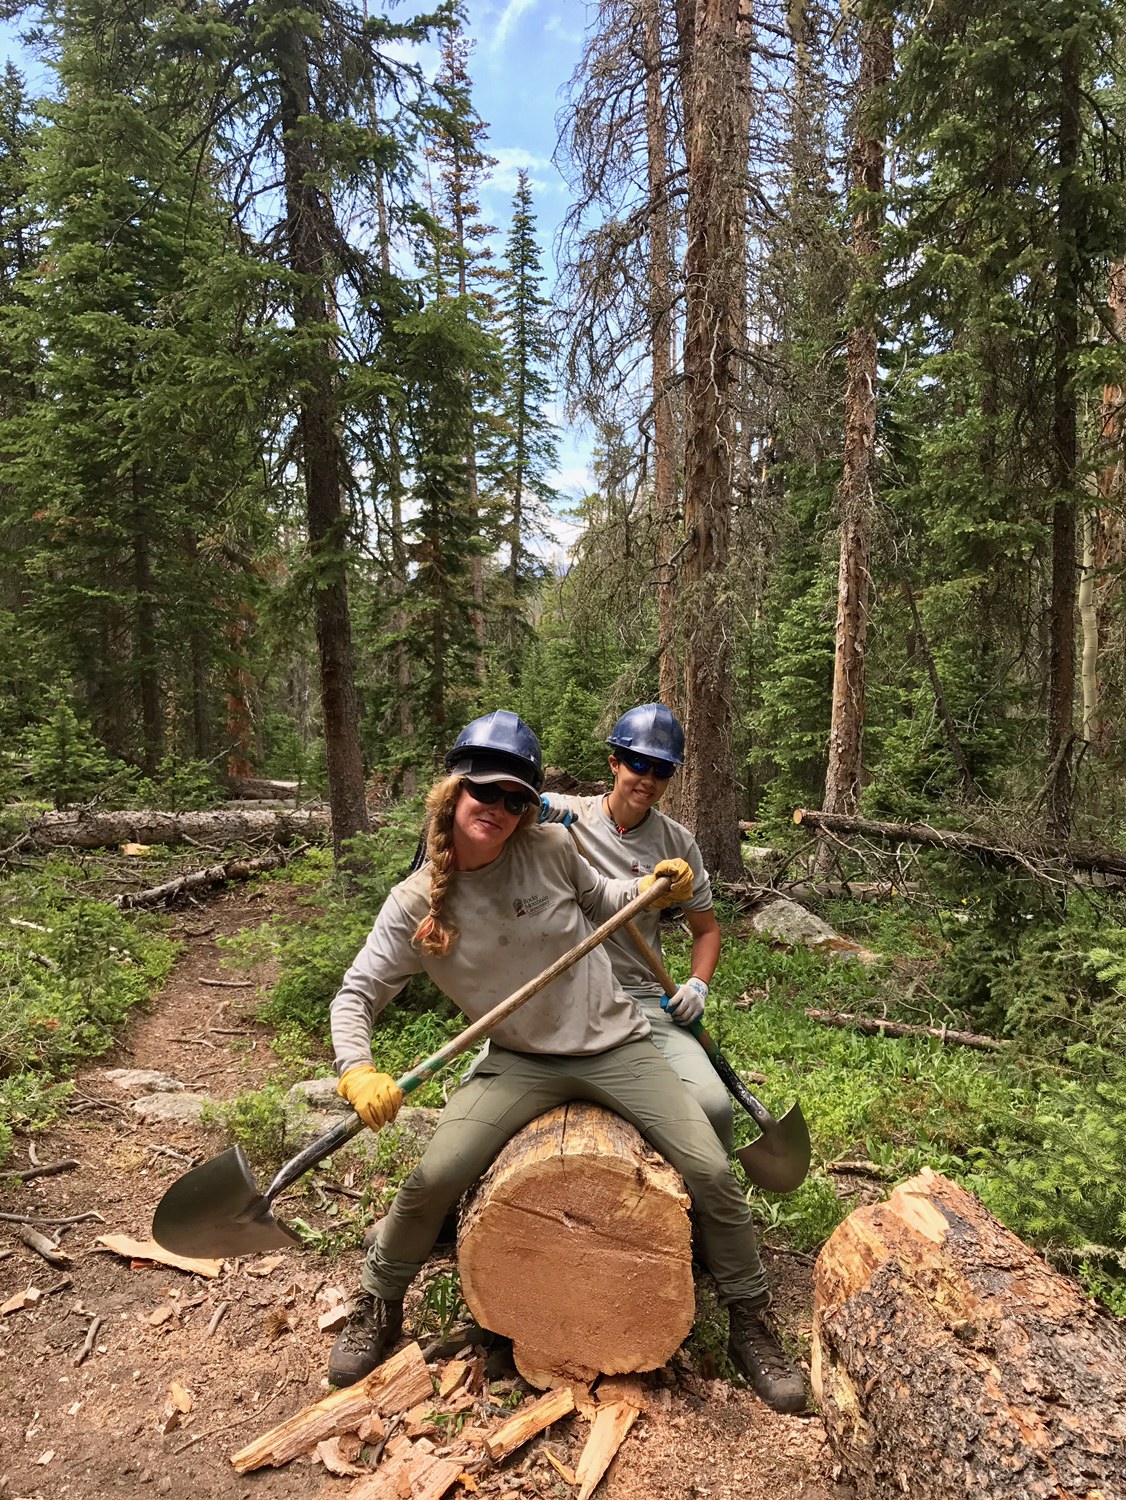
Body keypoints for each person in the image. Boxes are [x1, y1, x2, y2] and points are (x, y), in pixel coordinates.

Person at [326, 710, 806, 1414]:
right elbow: (358, 992)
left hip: (616, 1043)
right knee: (432, 1176)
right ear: (452, 794)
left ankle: (749, 1320)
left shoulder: (549, 847)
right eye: (485, 793)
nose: (499, 808)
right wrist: (357, 1068)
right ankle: (379, 1300)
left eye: (516, 798)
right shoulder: (413, 907)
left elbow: (601, 898)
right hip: (520, 1059)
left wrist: (652, 886)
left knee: (708, 1168)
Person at [539, 702, 734, 1152]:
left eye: (662, 769)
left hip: (643, 998)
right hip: (558, 995)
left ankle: (705, 1203)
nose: (647, 779)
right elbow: (496, 814)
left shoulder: (678, 845)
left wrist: (697, 985)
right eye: (638, 763)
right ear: (614, 762)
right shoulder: (568, 817)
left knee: (714, 1107)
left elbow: (707, 931)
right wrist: (534, 806)